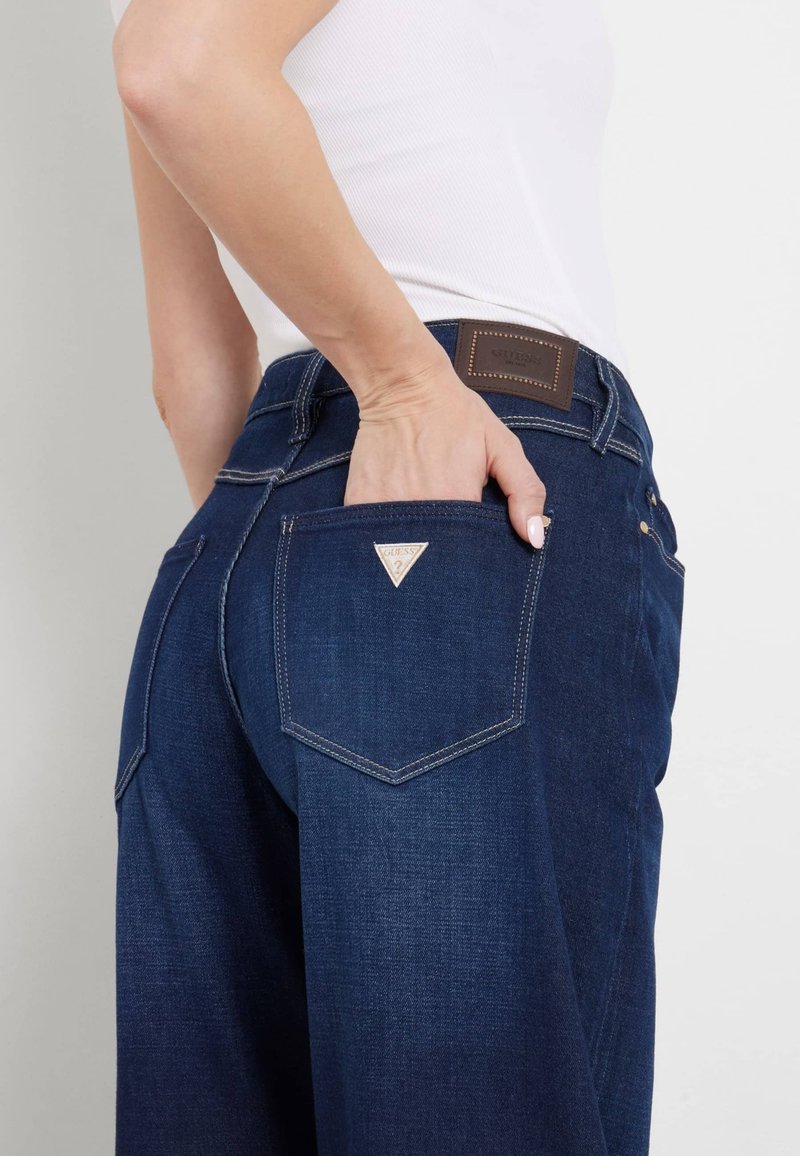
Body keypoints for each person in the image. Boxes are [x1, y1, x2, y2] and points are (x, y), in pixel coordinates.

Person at [108, 2, 685, 1153]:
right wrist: (404, 385)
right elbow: (176, 69)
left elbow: (193, 372)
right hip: (474, 485)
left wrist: (295, 597)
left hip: (229, 557)